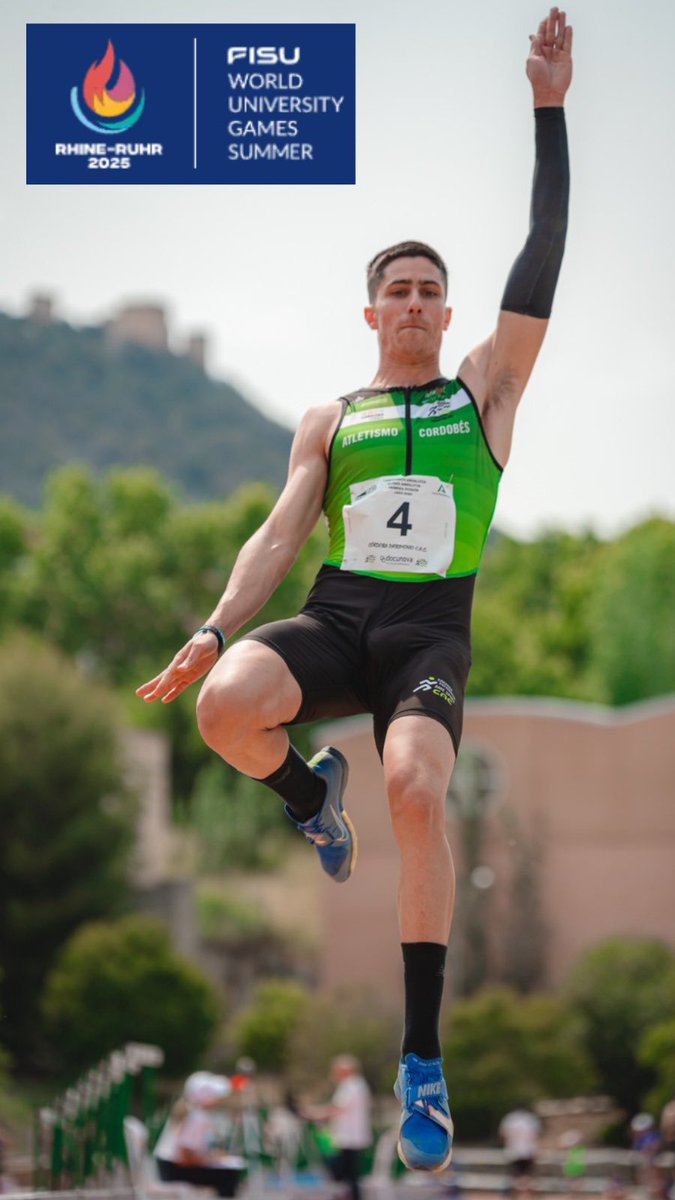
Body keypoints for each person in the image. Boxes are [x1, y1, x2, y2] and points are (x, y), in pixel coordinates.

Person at [137, 6, 572, 1174]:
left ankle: (419, 1056)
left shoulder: (484, 391)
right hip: (339, 612)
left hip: (431, 624)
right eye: (405, 290)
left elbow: (542, 258)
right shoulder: (334, 417)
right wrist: (212, 628)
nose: (424, 303)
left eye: (437, 289)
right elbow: (282, 532)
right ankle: (305, 797)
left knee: (419, 791)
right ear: (372, 310)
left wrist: (549, 109)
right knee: (225, 706)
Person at [304, 1055, 372, 1200]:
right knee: (347, 1175)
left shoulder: (352, 1085)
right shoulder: (354, 1085)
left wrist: (313, 1114)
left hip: (350, 1138)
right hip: (348, 1138)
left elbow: (337, 1108)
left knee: (345, 1173)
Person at [499, 1107, 541, 1192]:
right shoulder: (530, 1119)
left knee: (514, 1177)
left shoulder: (509, 1119)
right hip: (528, 1151)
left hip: (513, 1151)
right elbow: (535, 1135)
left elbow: (503, 1134)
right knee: (528, 1177)